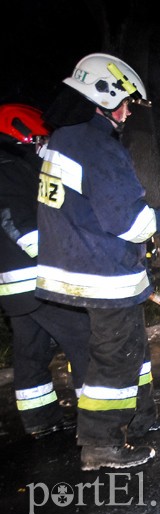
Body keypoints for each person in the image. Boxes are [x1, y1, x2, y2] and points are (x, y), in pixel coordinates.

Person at [35, 53, 160, 470]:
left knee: (132, 350)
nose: (127, 113)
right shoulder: (98, 147)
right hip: (100, 273)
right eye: (123, 102)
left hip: (74, 265)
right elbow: (133, 222)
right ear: (99, 95)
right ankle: (101, 445)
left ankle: (140, 417)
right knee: (114, 359)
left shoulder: (65, 138)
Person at [0, 102, 90, 439]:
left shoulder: (11, 165)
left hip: (14, 287)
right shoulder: (10, 167)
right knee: (85, 339)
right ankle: (98, 424)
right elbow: (18, 222)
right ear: (19, 133)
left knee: (31, 353)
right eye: (39, 139)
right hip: (38, 278)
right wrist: (66, 257)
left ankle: (41, 421)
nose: (43, 146)